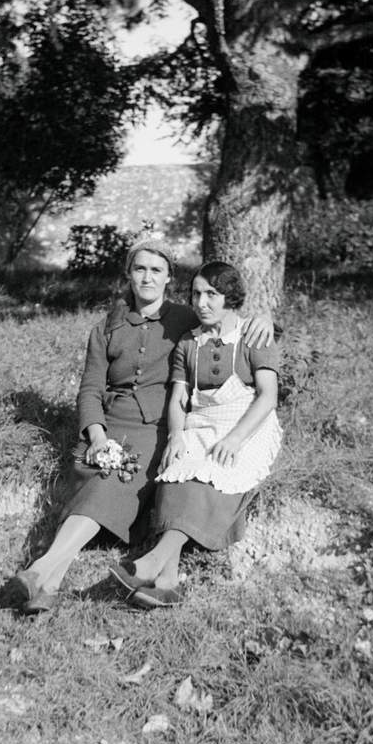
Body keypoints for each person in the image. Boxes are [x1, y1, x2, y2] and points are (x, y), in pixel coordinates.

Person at [12, 239, 274, 613]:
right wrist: (98, 435)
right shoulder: (106, 329)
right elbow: (89, 390)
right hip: (111, 426)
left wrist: (265, 321)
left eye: (156, 270)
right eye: (140, 269)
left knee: (109, 484)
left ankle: (44, 572)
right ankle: (48, 580)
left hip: (153, 429)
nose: (147, 277)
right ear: (128, 274)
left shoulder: (185, 317)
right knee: (94, 476)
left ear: (169, 278)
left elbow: (228, 319)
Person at [109, 260, 282, 608]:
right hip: (200, 422)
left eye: (212, 295)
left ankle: (152, 563)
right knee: (175, 472)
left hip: (247, 424)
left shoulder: (252, 336)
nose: (201, 303)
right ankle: (168, 583)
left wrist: (235, 440)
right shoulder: (190, 342)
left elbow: (268, 397)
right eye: (197, 294)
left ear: (230, 298)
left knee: (213, 473)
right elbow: (178, 398)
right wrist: (176, 435)